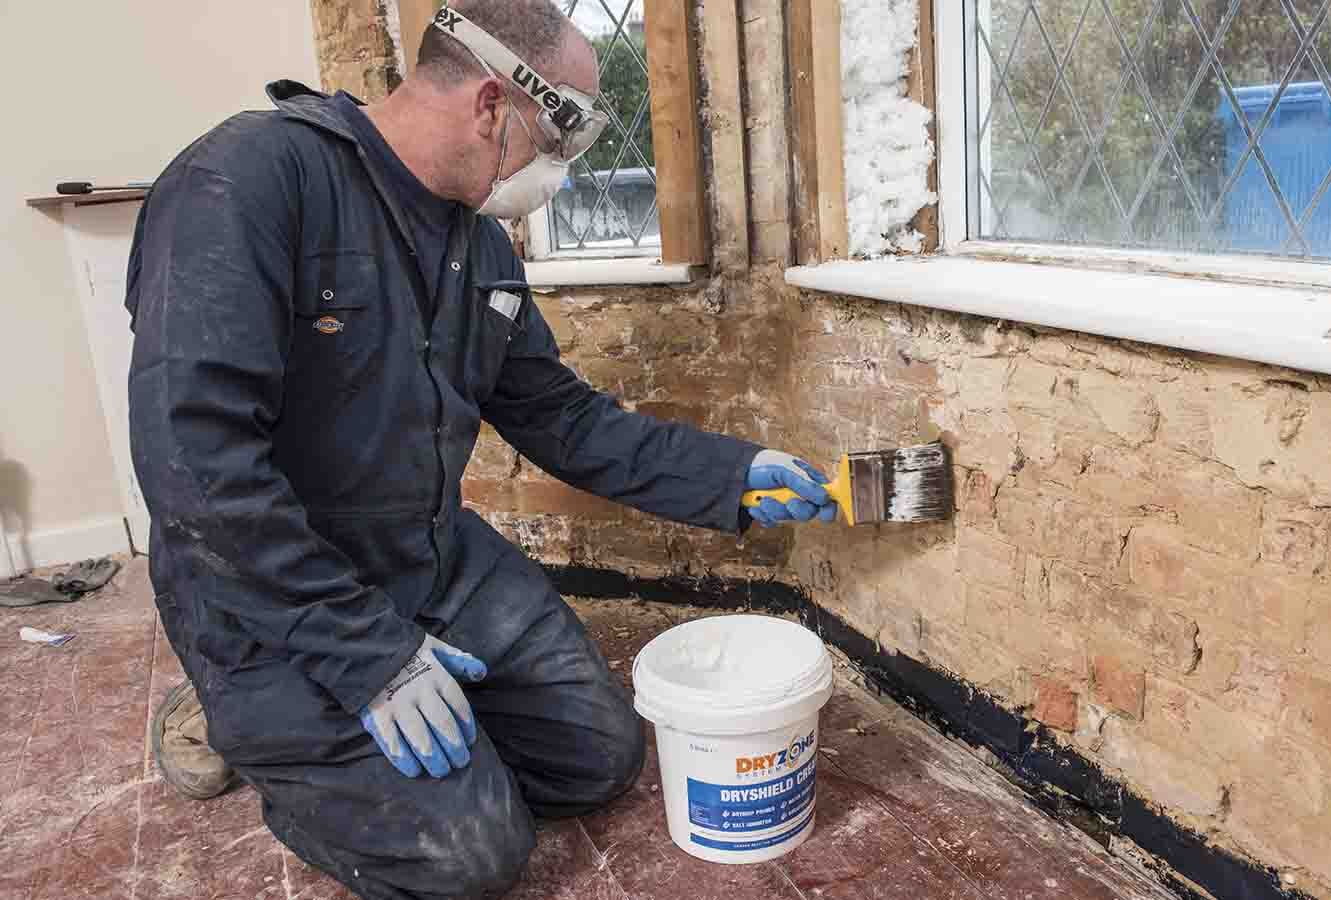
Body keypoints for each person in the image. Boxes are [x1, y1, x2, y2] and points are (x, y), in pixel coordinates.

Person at [124, 2, 836, 898]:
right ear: (492, 104)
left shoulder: (478, 246)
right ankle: (252, 722)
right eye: (556, 144)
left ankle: (401, 723)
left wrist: (730, 475)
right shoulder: (249, 182)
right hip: (272, 594)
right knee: (470, 855)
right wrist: (367, 657)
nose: (559, 179)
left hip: (427, 560)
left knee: (598, 757)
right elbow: (193, 466)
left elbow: (562, 419)